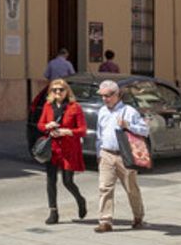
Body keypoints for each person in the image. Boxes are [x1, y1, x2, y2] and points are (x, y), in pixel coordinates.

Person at [92, 78, 150, 232]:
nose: (105, 99)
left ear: (117, 95)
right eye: (102, 96)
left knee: (131, 189)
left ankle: (138, 217)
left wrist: (128, 125)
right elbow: (99, 134)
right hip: (107, 153)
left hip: (125, 156)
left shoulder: (129, 111)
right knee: (105, 188)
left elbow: (145, 130)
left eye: (108, 95)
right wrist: (99, 153)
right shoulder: (102, 111)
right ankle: (105, 221)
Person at [37, 78, 89, 224]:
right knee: (50, 180)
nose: (58, 92)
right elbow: (40, 125)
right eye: (54, 90)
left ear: (67, 91)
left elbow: (83, 130)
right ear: (51, 92)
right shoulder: (48, 106)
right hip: (52, 149)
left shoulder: (75, 107)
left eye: (61, 89)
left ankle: (80, 199)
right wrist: (47, 126)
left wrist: (67, 131)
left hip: (68, 149)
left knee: (67, 181)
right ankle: (53, 212)